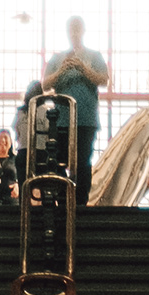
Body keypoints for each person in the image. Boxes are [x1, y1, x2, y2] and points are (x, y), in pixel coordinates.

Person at [40, 13, 109, 205]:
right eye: (71, 30)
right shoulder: (57, 58)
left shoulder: (94, 56)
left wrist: (83, 68)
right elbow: (45, 85)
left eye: (77, 29)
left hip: (86, 120)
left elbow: (104, 80)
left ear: (83, 31)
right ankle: (63, 200)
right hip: (61, 120)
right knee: (58, 160)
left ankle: (80, 203)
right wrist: (61, 70)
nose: (74, 33)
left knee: (83, 162)